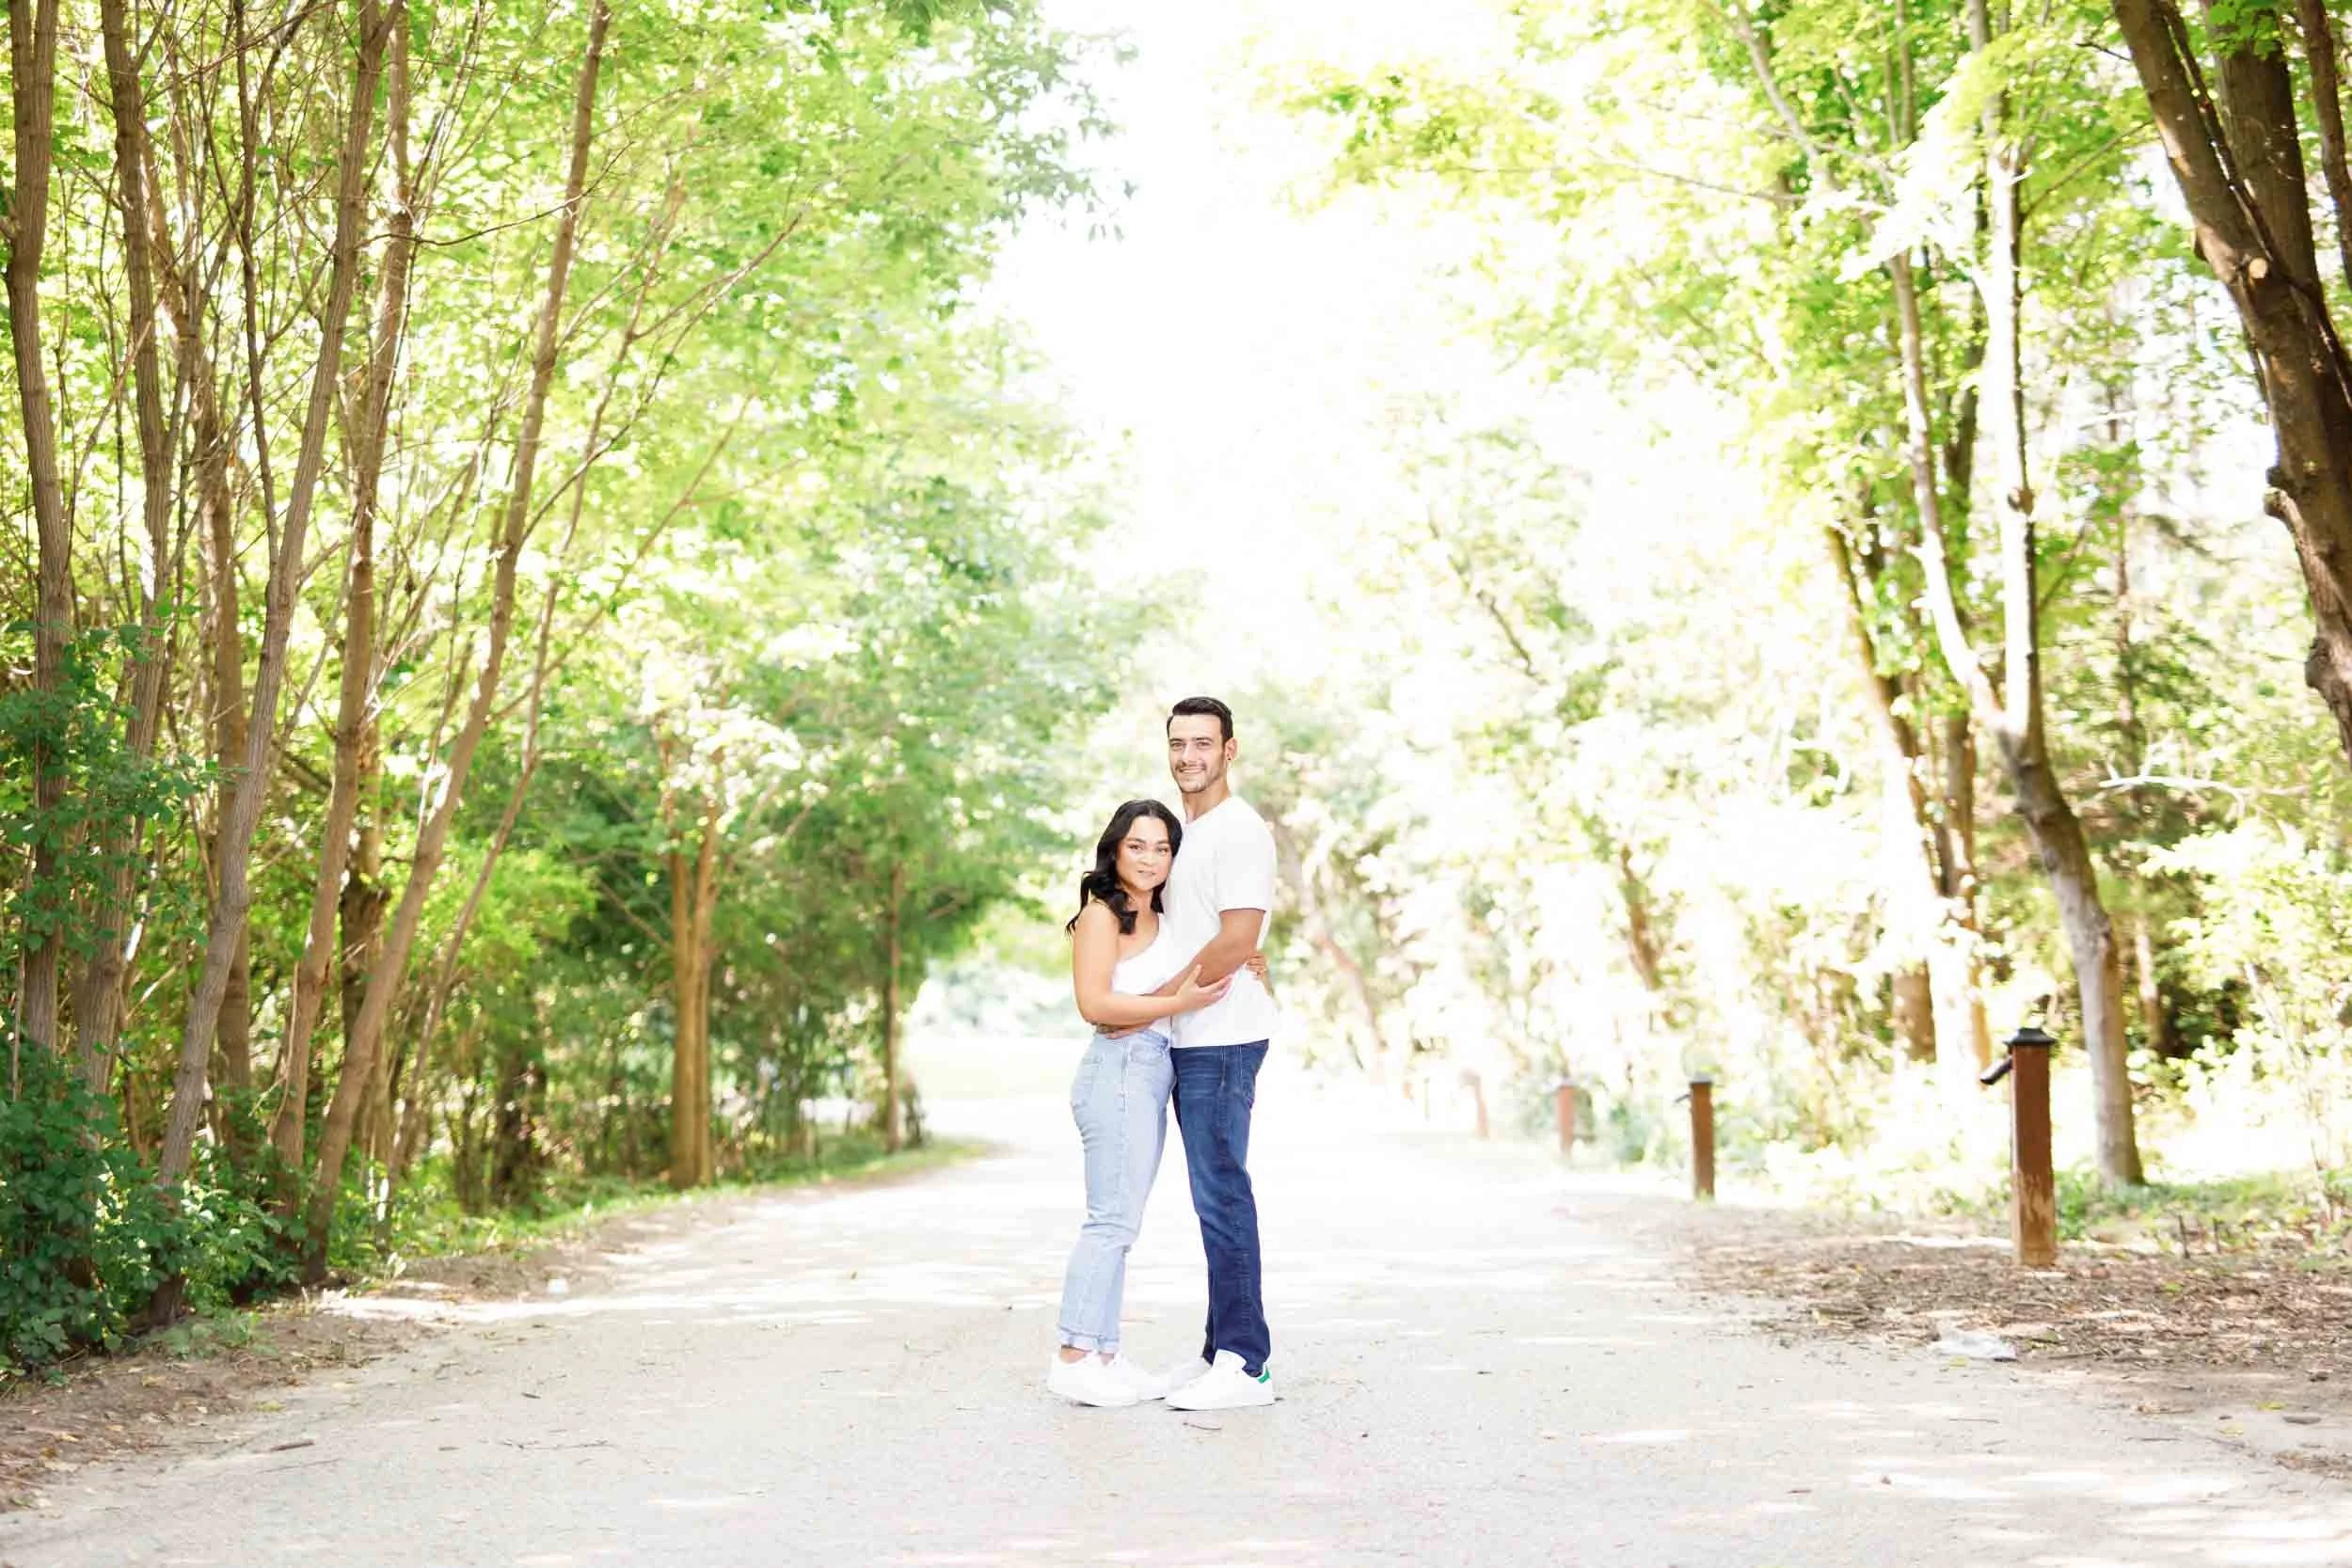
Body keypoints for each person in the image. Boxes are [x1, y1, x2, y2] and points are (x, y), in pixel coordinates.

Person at [1048, 799, 1231, 1408]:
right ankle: (1073, 1356)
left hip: (1150, 1068)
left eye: (1162, 847)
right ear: (1115, 849)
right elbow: (1097, 1008)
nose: (1150, 858)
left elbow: (1162, 988)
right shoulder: (1103, 915)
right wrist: (1179, 1003)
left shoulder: (1166, 917)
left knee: (1123, 1223)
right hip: (1118, 1071)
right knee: (1110, 1222)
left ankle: (1102, 1350)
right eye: (1137, 846)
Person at [1152, 695, 1280, 1412]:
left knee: (1223, 1193)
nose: (1189, 755)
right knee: (1211, 1198)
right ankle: (1217, 1355)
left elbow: (1236, 938)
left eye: (1203, 742)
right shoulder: (1189, 832)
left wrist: (1161, 1001)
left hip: (1224, 1037)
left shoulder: (1239, 829)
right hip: (1195, 1033)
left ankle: (1246, 1361)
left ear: (1230, 750)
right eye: (1178, 742)